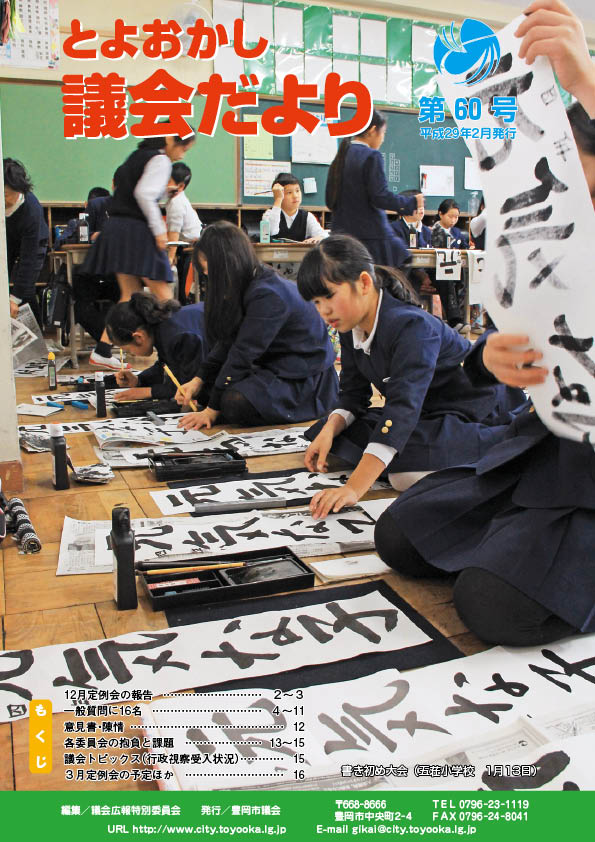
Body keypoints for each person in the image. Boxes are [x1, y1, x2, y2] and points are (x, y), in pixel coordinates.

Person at [373, 0, 595, 647]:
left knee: (492, 603)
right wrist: (496, 358)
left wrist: (583, 82)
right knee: (402, 534)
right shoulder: (551, 247)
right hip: (552, 453)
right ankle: (520, 543)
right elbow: (517, 355)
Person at [297, 235, 526, 518]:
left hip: (472, 410)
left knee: (401, 467)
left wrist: (354, 489)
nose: (324, 311)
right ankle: (392, 454)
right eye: (316, 302)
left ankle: (506, 440)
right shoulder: (349, 325)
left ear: (365, 283)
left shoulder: (411, 326)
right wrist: (330, 429)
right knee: (328, 431)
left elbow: (402, 408)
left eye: (329, 296)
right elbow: (353, 395)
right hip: (425, 414)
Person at [174, 221, 339, 429]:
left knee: (233, 402)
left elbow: (242, 354)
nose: (208, 278)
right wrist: (198, 379)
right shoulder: (246, 281)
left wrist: (211, 410)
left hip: (303, 378)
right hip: (275, 367)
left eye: (209, 272)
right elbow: (228, 341)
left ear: (228, 263)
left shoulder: (268, 294)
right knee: (208, 390)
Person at [83, 131, 196, 369]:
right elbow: (144, 195)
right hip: (137, 230)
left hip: (117, 228)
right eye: (183, 149)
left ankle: (102, 350)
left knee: (128, 294)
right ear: (171, 141)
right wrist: (158, 231)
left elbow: (134, 191)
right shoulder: (161, 159)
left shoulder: (138, 155)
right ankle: (183, 351)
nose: (180, 156)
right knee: (164, 295)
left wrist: (164, 194)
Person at [326, 110, 424, 267]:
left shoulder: (341, 156)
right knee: (402, 260)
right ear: (372, 130)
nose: (383, 139)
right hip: (370, 237)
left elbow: (329, 200)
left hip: (341, 236)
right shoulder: (371, 156)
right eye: (383, 133)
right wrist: (411, 202)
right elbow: (380, 197)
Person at [105, 292, 208, 401]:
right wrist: (139, 380)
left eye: (128, 349)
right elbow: (166, 367)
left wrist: (148, 392)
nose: (132, 353)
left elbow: (188, 386)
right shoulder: (161, 327)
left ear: (139, 337)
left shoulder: (179, 337)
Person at [4, 158, 48, 324]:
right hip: (8, 242)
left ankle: (36, 341)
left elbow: (28, 260)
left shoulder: (31, 210)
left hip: (34, 243)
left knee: (26, 291)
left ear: (18, 190)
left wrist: (14, 299)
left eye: (5, 195)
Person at [431, 199, 470, 334]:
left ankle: (463, 318)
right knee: (446, 278)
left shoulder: (457, 232)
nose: (453, 220)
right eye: (450, 216)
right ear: (441, 214)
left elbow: (465, 248)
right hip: (436, 270)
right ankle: (454, 320)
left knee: (464, 277)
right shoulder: (432, 231)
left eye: (456, 217)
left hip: (455, 268)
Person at [261, 172, 327, 243]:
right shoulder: (269, 214)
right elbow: (271, 231)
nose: (295, 196)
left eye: (297, 191)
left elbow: (324, 236)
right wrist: (278, 199)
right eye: (289, 192)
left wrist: (319, 238)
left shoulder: (307, 216)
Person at [165, 162, 202, 266]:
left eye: (168, 181)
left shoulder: (176, 203)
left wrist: (170, 258)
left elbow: (174, 233)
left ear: (180, 186)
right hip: (188, 244)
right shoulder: (177, 198)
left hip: (192, 248)